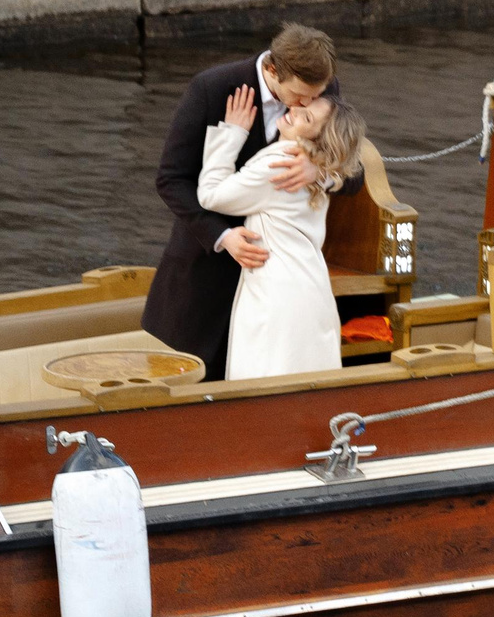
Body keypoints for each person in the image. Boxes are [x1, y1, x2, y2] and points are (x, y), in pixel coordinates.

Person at [142, 25, 353, 382]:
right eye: (299, 97)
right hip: (205, 278)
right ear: (272, 70)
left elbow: (354, 169)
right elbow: (170, 179)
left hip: (276, 288)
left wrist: (319, 168)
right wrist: (223, 237)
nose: (306, 105)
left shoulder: (321, 91)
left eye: (314, 97)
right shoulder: (211, 88)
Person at [197, 85, 368, 381]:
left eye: (307, 119)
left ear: (318, 139)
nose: (294, 112)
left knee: (263, 392)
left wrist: (233, 133)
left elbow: (211, 195)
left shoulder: (279, 164)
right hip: (311, 291)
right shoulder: (316, 166)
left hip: (277, 298)